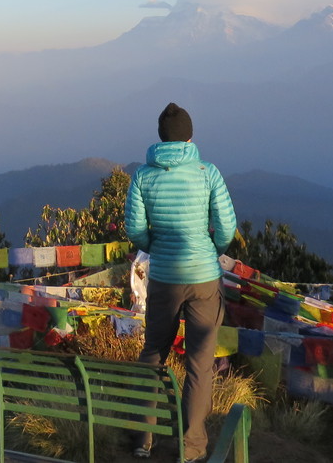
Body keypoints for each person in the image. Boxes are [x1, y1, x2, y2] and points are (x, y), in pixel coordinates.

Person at [124, 102, 237, 462]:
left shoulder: (143, 175)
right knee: (200, 364)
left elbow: (134, 229)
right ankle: (192, 448)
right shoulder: (208, 172)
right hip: (204, 278)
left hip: (163, 278)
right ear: (190, 137)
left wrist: (155, 247)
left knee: (153, 353)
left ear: (161, 137)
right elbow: (227, 226)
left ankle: (143, 440)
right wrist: (212, 249)